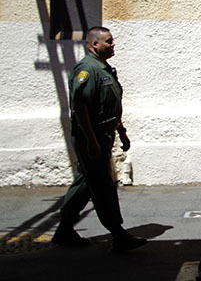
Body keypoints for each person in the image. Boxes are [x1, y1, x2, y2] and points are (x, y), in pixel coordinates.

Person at [51, 27, 147, 251]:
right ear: (94, 45)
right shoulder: (87, 69)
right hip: (91, 137)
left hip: (103, 134)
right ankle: (118, 234)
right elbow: (81, 107)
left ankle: (64, 230)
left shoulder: (104, 70)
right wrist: (92, 141)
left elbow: (110, 106)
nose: (112, 45)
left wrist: (121, 132)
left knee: (85, 182)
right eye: (108, 42)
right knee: (103, 186)